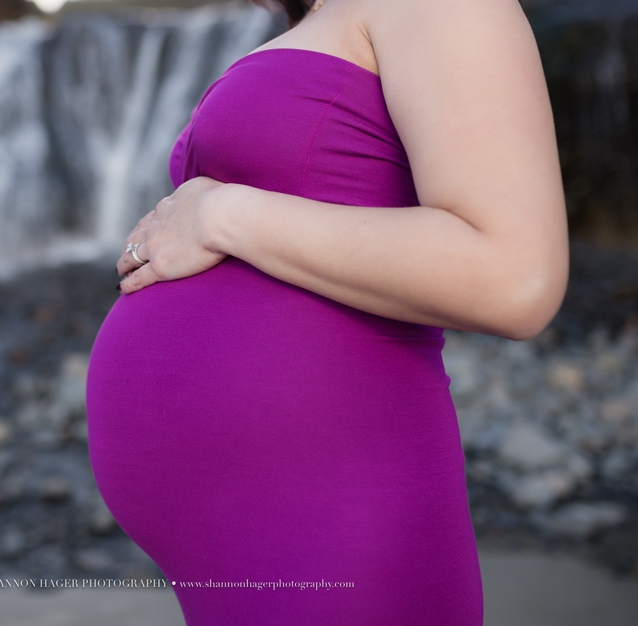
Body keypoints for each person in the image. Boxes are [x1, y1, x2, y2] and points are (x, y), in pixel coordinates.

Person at [86, 0, 568, 623]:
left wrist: (220, 215)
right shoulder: (321, 21)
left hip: (334, 511)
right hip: (236, 535)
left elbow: (513, 276)